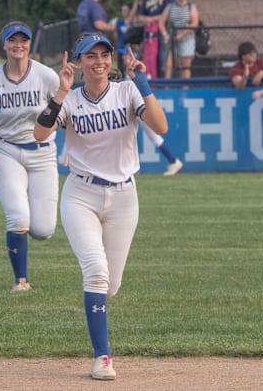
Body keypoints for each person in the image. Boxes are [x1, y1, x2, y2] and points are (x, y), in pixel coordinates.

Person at [34, 34, 168, 380]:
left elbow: (160, 125)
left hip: (124, 196)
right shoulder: (71, 99)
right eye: (90, 56)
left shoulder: (127, 91)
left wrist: (143, 82)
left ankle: (99, 328)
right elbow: (39, 132)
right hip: (81, 194)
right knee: (95, 270)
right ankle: (102, 356)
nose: (99, 62)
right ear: (78, 63)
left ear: (111, 60)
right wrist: (61, 91)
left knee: (110, 285)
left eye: (104, 55)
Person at [0, 21, 60, 291]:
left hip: (43, 153)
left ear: (30, 44)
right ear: (4, 45)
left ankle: (26, 236)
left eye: (23, 40)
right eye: (13, 40)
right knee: (18, 218)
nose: (18, 45)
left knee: (43, 230)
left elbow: (64, 115)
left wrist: (55, 133)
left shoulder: (47, 76)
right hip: (6, 150)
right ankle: (20, 280)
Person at [115, 51, 182, 175]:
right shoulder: (128, 73)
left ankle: (173, 161)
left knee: (154, 136)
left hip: (143, 109)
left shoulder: (138, 72)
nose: (124, 57)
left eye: (127, 56)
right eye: (124, 55)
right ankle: (172, 161)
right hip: (134, 109)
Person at [158, 0, 199, 79]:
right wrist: (165, 34)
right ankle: (167, 87)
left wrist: (182, 34)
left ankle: (185, 89)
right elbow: (161, 22)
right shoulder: (170, 6)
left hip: (187, 39)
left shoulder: (191, 6)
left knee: (185, 66)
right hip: (172, 38)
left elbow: (194, 23)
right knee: (168, 65)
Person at [139, 0, 175, 79]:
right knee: (150, 57)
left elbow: (169, 14)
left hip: (164, 31)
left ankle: (166, 82)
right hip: (150, 33)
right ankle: (152, 79)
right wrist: (146, 20)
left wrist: (151, 19)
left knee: (164, 57)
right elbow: (140, 16)